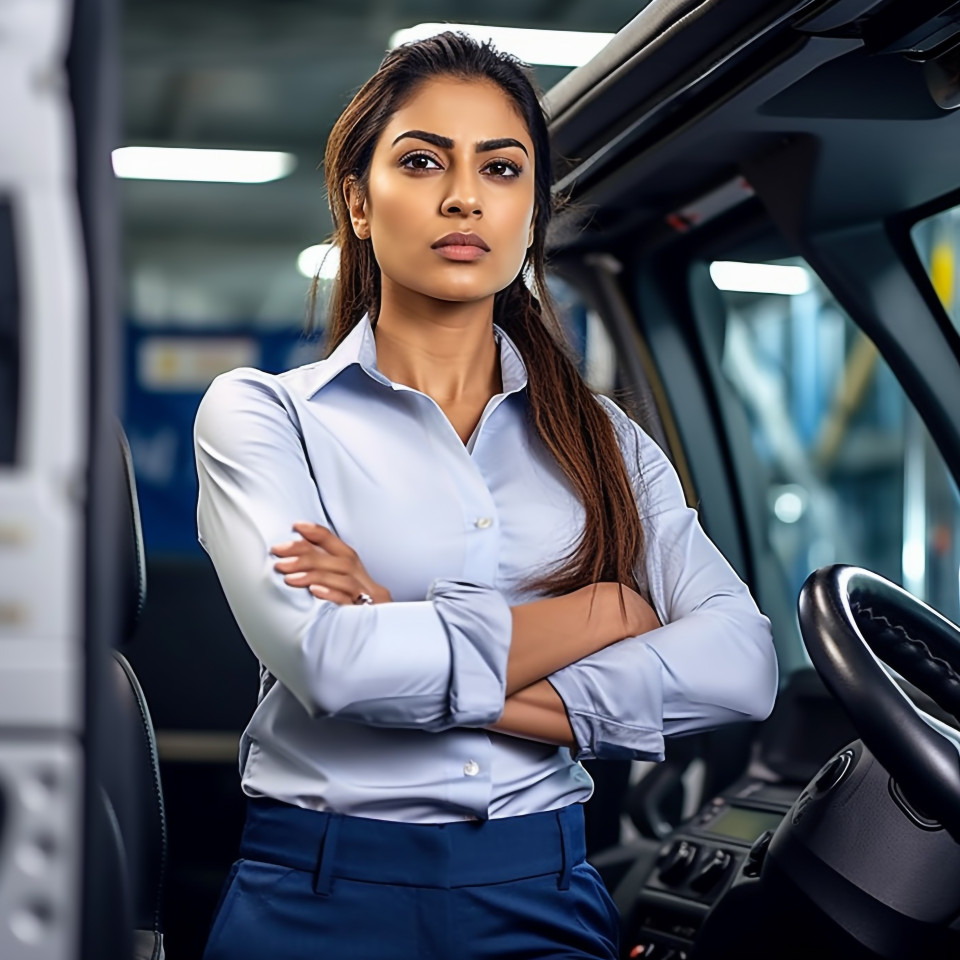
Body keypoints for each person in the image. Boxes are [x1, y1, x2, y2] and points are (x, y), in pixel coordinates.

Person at [194, 31, 778, 960]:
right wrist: (600, 612)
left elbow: (741, 667)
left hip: (541, 890)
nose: (463, 196)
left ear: (531, 215)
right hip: (318, 895)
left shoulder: (609, 445)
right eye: (422, 160)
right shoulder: (265, 416)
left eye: (501, 169)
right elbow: (332, 664)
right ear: (356, 200)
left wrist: (406, 625)